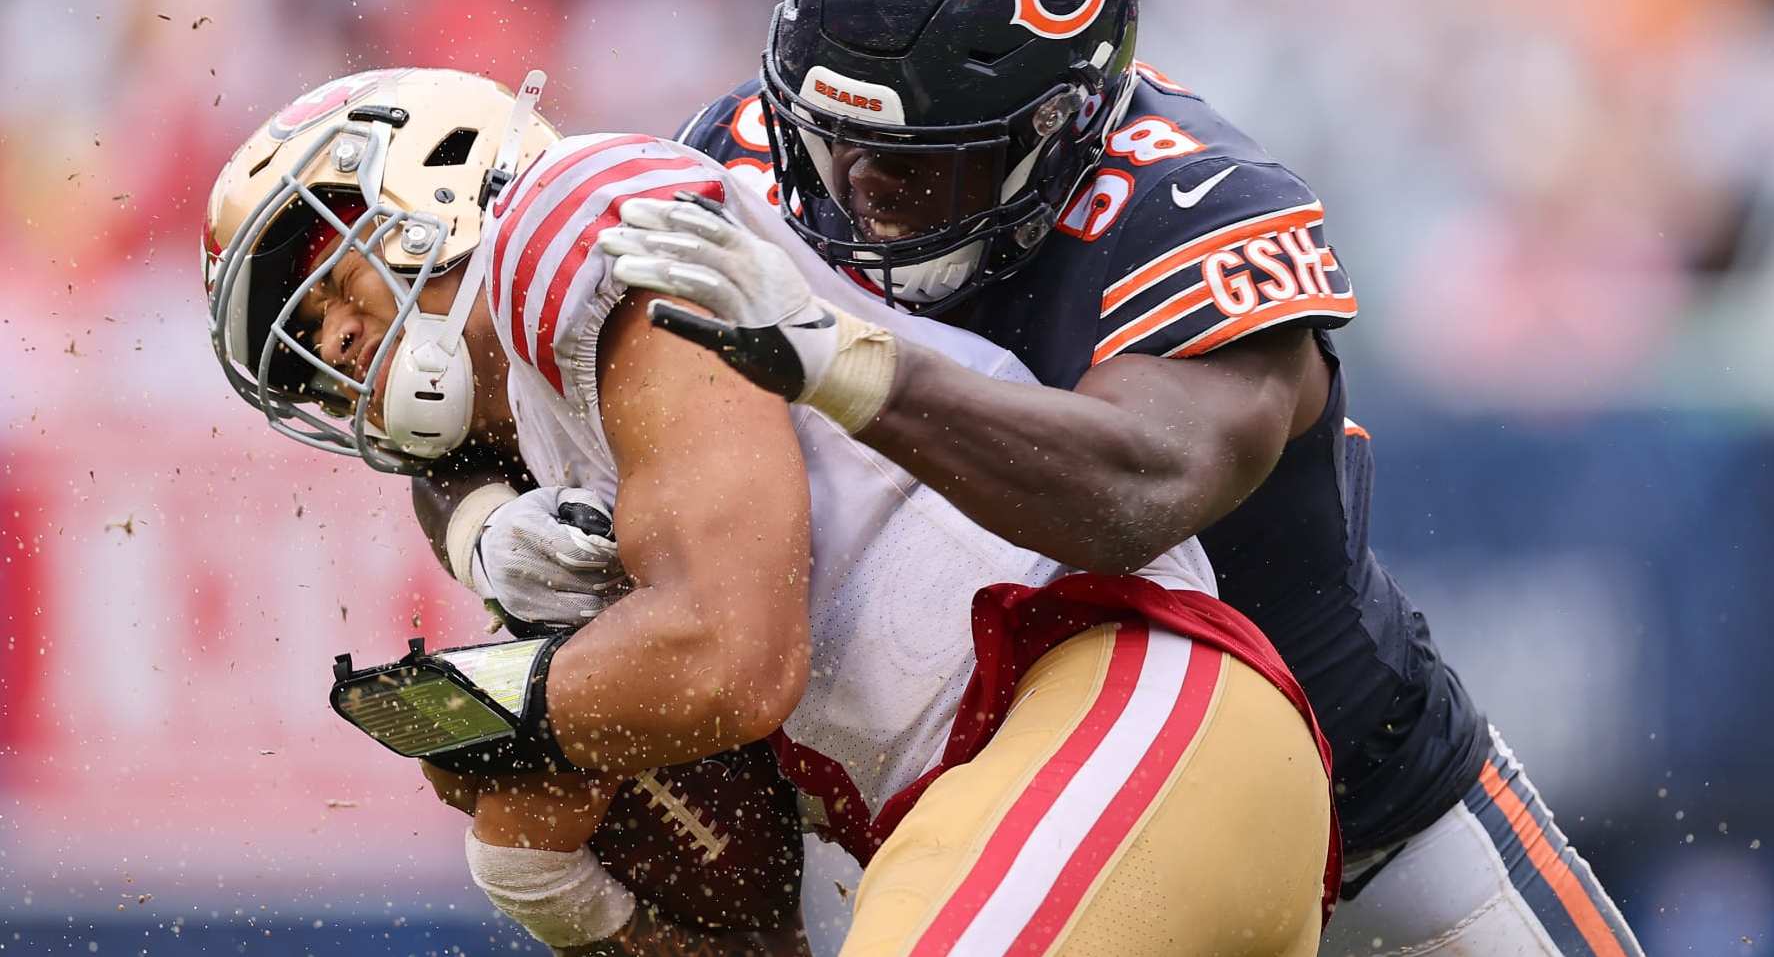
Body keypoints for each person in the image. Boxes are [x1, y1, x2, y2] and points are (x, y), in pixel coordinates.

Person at [598, 0, 1647, 957]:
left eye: (924, 162)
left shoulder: (1191, 204)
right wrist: (550, 519)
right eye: (832, 145)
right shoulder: (736, 161)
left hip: (1368, 823)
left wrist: (849, 361)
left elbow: (1134, 491)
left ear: (1063, 125)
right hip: (982, 816)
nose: (865, 199)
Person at [203, 67, 1336, 956]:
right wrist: (554, 885)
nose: (335, 348)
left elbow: (727, 659)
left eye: (325, 277)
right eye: (304, 361)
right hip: (1022, 807)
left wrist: (476, 706)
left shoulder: (562, 225)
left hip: (1121, 721)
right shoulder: (553, 457)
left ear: (435, 185)